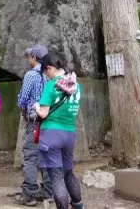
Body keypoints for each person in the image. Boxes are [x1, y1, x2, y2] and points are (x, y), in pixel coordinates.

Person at [35, 52, 83, 209]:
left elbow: (43, 113)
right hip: (70, 133)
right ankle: (78, 205)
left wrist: (36, 106)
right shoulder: (77, 86)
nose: (46, 76)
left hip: (51, 134)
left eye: (45, 72)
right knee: (68, 173)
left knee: (56, 176)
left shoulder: (51, 85)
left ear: (49, 68)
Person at [14, 44, 52, 206]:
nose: (28, 59)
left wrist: (23, 108)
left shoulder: (31, 75)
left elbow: (23, 99)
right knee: (47, 155)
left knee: (30, 155)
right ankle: (48, 190)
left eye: (30, 56)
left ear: (34, 58)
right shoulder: (50, 74)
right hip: (49, 120)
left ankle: (28, 192)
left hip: (35, 120)